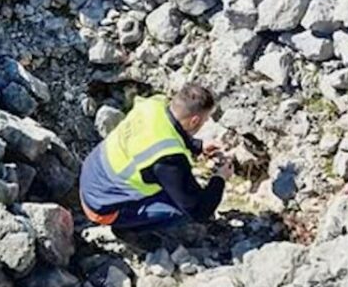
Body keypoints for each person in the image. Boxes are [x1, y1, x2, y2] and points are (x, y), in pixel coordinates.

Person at [79, 83, 233, 233]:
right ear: (194, 121)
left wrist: (198, 146)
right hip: (102, 207)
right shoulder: (168, 159)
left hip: (91, 174)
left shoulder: (153, 104)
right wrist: (220, 178)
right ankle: (129, 231)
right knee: (182, 211)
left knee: (176, 188)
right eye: (204, 120)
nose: (204, 124)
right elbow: (199, 211)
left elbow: (166, 130)